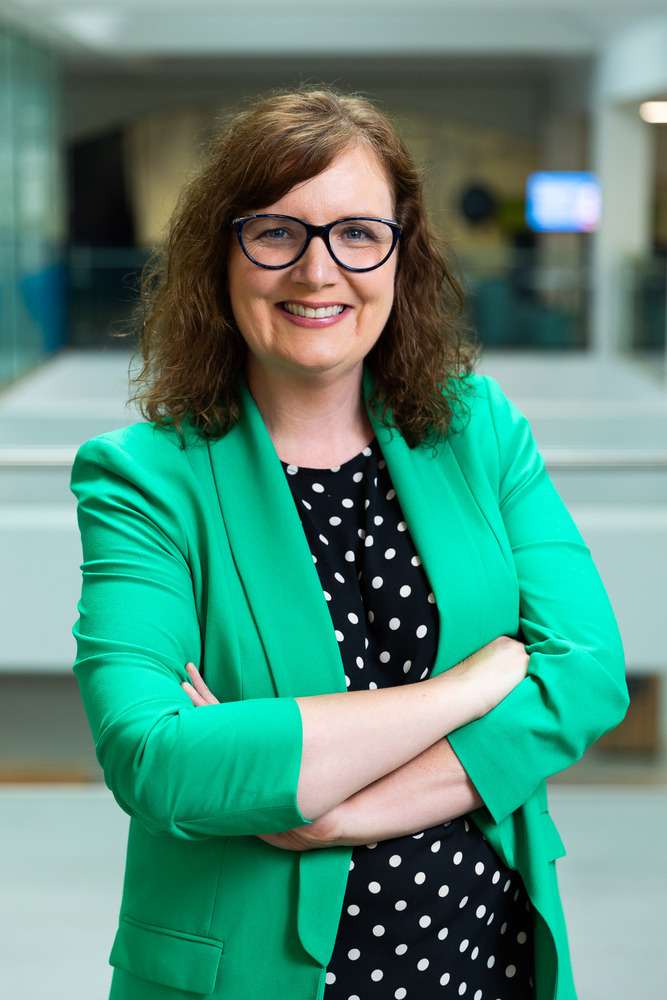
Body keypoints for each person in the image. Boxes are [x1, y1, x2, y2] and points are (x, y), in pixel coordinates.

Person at [71, 87, 628, 1000]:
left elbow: (589, 672)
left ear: (402, 254)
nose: (317, 270)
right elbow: (156, 759)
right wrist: (470, 687)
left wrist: (339, 810)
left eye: (358, 234)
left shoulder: (477, 429)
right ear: (221, 254)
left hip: (480, 961)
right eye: (276, 233)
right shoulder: (145, 478)